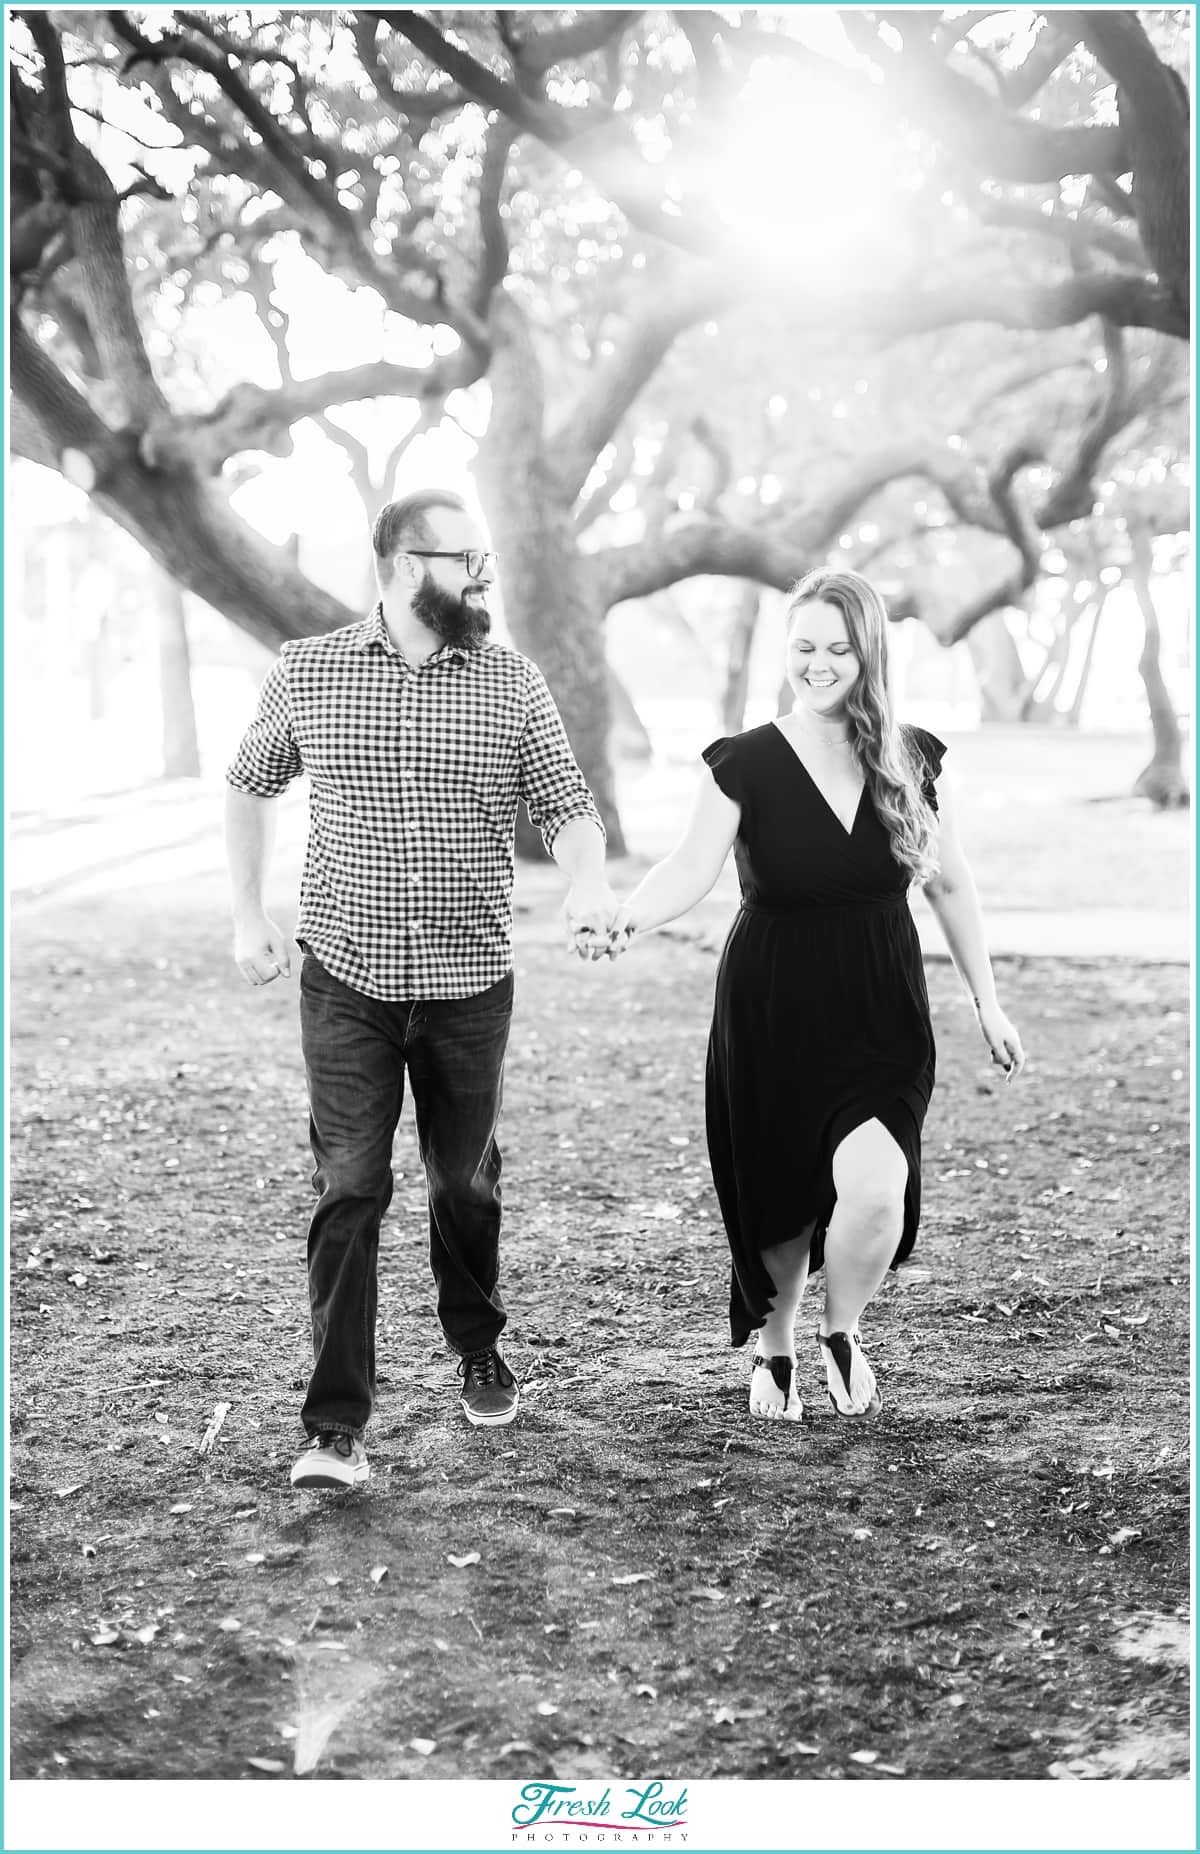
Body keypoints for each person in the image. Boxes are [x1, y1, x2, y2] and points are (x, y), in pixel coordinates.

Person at [224, 489, 617, 1489]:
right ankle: (336, 1429)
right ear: (402, 567)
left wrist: (588, 882)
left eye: (487, 559)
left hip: (467, 982)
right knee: (350, 1186)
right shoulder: (309, 671)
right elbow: (249, 780)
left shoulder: (510, 682)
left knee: (461, 1180)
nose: (485, 577)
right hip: (346, 977)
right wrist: (246, 912)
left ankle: (475, 1338)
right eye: (465, 560)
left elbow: (569, 808)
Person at [609, 567, 1024, 1425]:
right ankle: (779, 1342)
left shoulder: (908, 756)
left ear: (868, 654)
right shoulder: (746, 763)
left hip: (881, 1008)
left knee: (875, 1187)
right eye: (804, 647)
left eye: (838, 648)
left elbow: (950, 887)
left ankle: (842, 1329)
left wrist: (988, 1001)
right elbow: (689, 868)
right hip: (772, 1005)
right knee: (782, 1194)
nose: (819, 663)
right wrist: (628, 918)